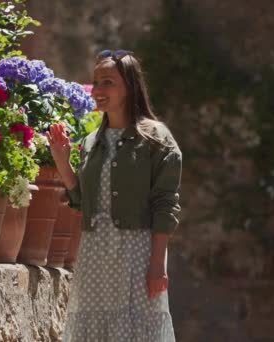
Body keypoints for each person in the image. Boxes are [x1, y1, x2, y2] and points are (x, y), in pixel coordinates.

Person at [47, 49, 182, 341]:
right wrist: (62, 160)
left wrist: (158, 265)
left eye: (108, 82)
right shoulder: (91, 142)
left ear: (131, 87)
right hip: (95, 255)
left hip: (137, 254)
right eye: (96, 82)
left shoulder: (157, 139)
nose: (98, 90)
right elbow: (83, 201)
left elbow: (165, 206)